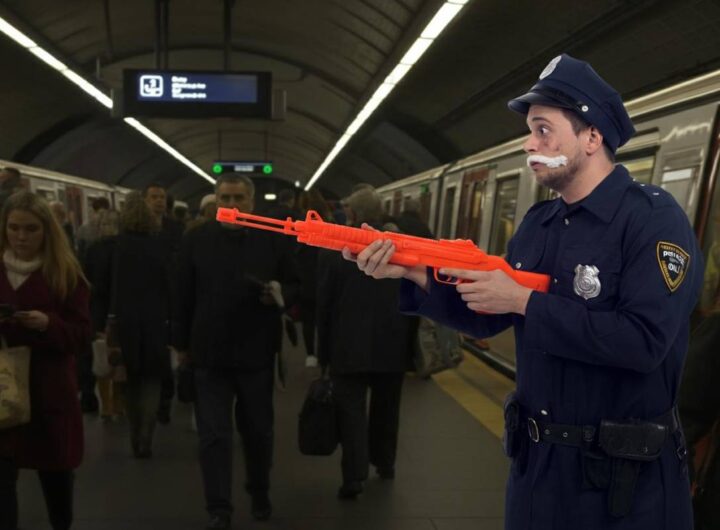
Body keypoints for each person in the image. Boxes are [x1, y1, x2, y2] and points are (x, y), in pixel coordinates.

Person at [344, 54, 704, 529]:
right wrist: (411, 274)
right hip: (538, 473)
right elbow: (490, 316)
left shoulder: (652, 220)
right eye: (530, 131)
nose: (529, 144)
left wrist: (525, 301)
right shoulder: (540, 224)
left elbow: (643, 342)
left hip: (622, 486)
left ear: (592, 136)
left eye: (542, 130)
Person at [174, 174, 299, 530]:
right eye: (225, 198)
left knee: (258, 431)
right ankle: (219, 507)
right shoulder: (196, 239)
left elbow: (296, 283)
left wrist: (280, 292)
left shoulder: (272, 238)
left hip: (256, 351)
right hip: (208, 353)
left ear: (251, 202)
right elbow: (182, 294)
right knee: (214, 435)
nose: (231, 205)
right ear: (215, 201)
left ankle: (259, 490)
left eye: (239, 198)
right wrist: (181, 345)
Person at [0, 191, 91, 530]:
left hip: (49, 390)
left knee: (55, 475)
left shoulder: (66, 275)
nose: (21, 237)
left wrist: (49, 324)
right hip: (3, 390)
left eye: (30, 229)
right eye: (13, 228)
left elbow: (81, 334)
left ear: (46, 232)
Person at [316, 187, 413, 499]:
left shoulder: (335, 249)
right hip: (392, 344)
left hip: (347, 346)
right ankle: (385, 464)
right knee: (388, 408)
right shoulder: (405, 248)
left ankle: (354, 477)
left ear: (353, 215)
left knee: (351, 412)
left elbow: (325, 305)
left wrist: (323, 354)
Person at [90, 196, 173, 457]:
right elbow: (171, 287)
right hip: (155, 323)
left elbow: (99, 290)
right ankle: (146, 433)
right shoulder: (162, 247)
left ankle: (134, 430)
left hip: (121, 323)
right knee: (151, 379)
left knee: (127, 380)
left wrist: (99, 323)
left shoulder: (109, 248)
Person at [142, 183, 182, 425]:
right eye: (154, 196)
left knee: (165, 352)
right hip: (145, 299)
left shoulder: (175, 228)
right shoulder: (136, 229)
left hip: (169, 299)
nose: (158, 201)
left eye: (161, 197)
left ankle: (164, 400)